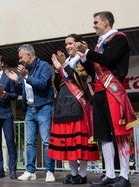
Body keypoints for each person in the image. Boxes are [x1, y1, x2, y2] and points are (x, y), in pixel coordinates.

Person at [76, 11, 138, 187]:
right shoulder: (99, 45)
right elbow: (92, 71)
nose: (93, 25)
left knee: (119, 134)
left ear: (105, 22)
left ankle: (124, 176)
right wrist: (83, 56)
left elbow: (109, 60)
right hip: (99, 93)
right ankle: (110, 174)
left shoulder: (119, 38)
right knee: (103, 136)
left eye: (96, 22)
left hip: (113, 92)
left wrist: (88, 51)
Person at [47, 34, 100, 185]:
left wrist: (63, 65)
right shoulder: (68, 61)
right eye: (66, 44)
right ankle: (74, 173)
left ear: (77, 44)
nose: (68, 46)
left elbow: (80, 78)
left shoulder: (83, 59)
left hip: (78, 104)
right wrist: (58, 70)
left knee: (80, 142)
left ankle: (82, 174)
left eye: (71, 43)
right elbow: (58, 84)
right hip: (63, 104)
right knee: (68, 142)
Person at [5, 44, 55, 183]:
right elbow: (24, 87)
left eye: (21, 56)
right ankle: (30, 171)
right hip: (30, 109)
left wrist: (25, 76)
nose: (20, 59)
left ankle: (49, 171)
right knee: (29, 142)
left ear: (29, 54)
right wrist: (17, 80)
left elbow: (43, 84)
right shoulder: (24, 70)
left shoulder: (43, 66)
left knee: (46, 141)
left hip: (44, 107)